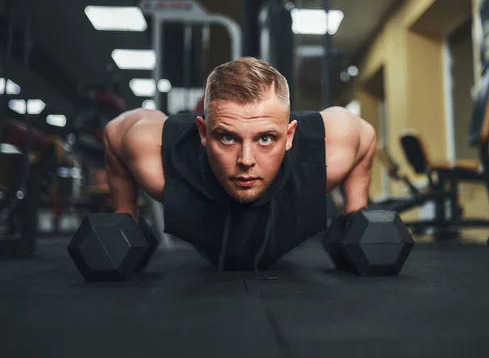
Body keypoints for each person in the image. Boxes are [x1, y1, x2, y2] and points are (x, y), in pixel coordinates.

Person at [103, 57, 376, 274]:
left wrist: (355, 214)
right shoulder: (160, 160)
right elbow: (114, 132)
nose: (246, 160)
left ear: (290, 135)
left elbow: (364, 133)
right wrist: (125, 217)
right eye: (227, 137)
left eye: (266, 138)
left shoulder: (326, 155)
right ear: (202, 133)